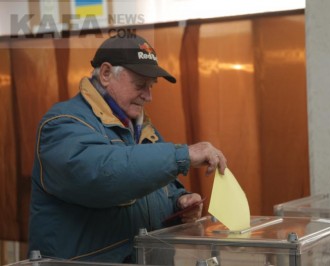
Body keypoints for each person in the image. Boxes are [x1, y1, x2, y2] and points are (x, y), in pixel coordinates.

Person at [28, 34, 227, 263]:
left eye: (151, 87)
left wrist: (179, 201)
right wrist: (183, 154)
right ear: (105, 74)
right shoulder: (61, 124)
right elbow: (105, 175)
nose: (149, 96)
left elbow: (154, 183)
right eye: (140, 85)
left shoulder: (140, 128)